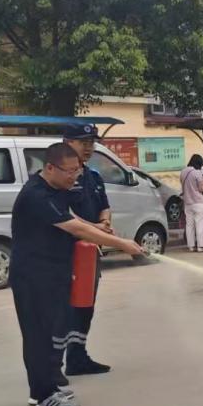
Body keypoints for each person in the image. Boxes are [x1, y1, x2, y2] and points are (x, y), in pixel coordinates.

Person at [10, 142, 142, 406]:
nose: (74, 177)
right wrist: (121, 243)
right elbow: (75, 228)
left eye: (77, 171)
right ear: (49, 167)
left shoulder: (56, 189)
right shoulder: (36, 195)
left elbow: (74, 219)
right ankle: (43, 394)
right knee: (39, 335)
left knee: (50, 331)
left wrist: (97, 226)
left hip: (54, 271)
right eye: (69, 172)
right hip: (34, 275)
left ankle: (46, 387)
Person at [61, 122, 113, 376]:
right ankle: (54, 363)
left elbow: (104, 204)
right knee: (64, 308)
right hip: (65, 254)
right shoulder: (62, 177)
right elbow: (65, 215)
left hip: (90, 253)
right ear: (67, 142)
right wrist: (95, 228)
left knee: (85, 304)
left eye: (92, 142)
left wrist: (104, 222)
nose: (89, 147)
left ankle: (78, 355)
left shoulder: (93, 176)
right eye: (83, 142)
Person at [180, 154, 203, 253]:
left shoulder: (183, 172)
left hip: (187, 203)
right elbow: (202, 188)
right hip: (198, 202)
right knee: (199, 224)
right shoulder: (197, 173)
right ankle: (200, 246)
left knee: (189, 225)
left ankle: (191, 246)